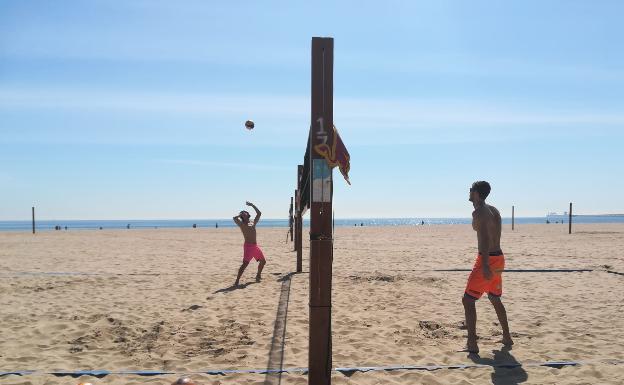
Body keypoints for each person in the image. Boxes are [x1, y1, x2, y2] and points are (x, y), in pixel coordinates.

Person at [462, 181, 513, 353]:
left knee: (468, 300)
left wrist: (484, 265)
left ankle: (472, 343)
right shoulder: (494, 210)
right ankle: (507, 336)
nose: (468, 192)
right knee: (494, 297)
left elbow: (484, 238)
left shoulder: (479, 212)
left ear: (476, 193)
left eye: (470, 190)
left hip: (487, 259)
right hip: (499, 258)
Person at [233, 201, 266, 286]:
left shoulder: (252, 222)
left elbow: (259, 213)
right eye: (243, 214)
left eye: (245, 213)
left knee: (263, 261)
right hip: (248, 247)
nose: (244, 214)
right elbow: (234, 218)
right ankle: (237, 280)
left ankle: (258, 275)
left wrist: (252, 205)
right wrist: (239, 215)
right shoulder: (241, 224)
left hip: (255, 246)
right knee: (245, 264)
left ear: (248, 214)